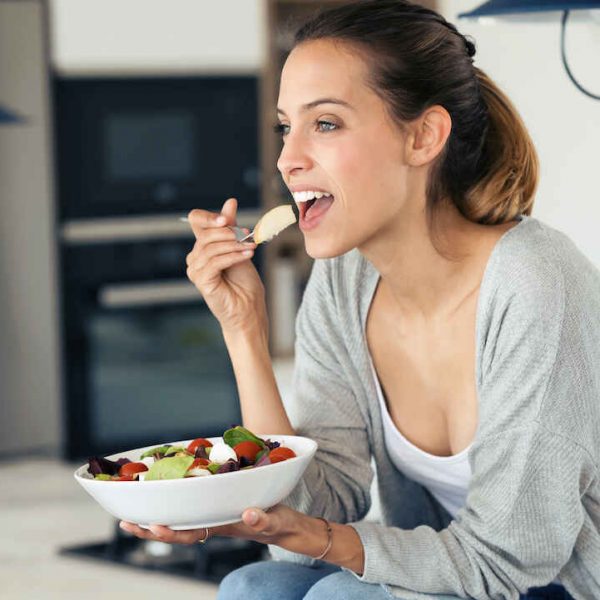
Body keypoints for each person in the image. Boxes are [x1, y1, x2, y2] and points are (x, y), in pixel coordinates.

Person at [119, 1, 600, 598]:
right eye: (285, 127)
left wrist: (322, 540)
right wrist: (243, 328)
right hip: (461, 573)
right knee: (254, 587)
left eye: (325, 124)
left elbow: (506, 560)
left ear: (423, 136)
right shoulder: (347, 280)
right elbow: (321, 496)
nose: (287, 158)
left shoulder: (537, 283)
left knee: (341, 595)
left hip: (559, 582)